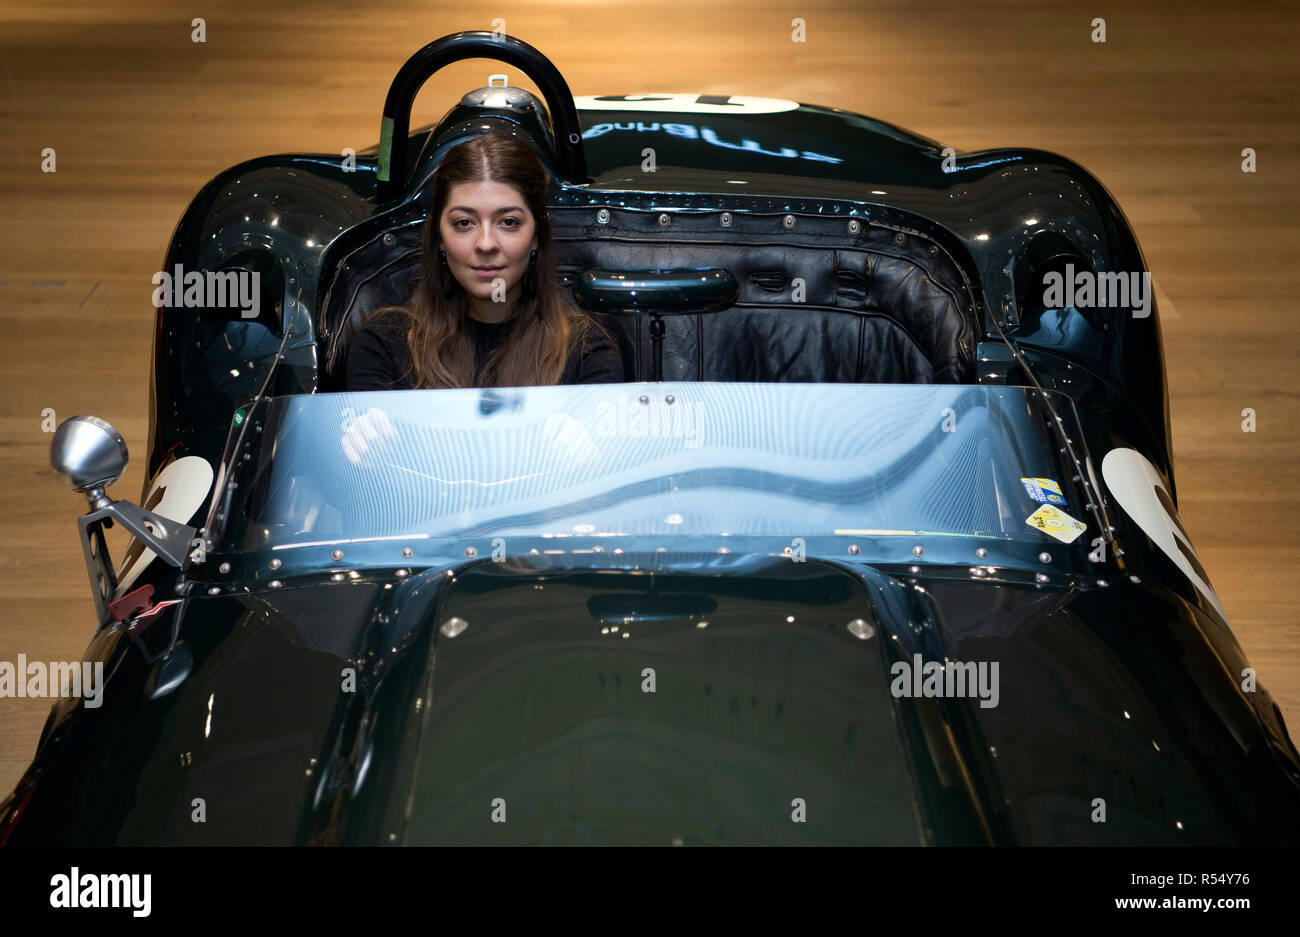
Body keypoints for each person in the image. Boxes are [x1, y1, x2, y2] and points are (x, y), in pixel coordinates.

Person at [345, 130, 625, 391]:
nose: (486, 243)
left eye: (509, 222)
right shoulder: (383, 346)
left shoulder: (588, 352)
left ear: (537, 236)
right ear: (439, 236)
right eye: (464, 223)